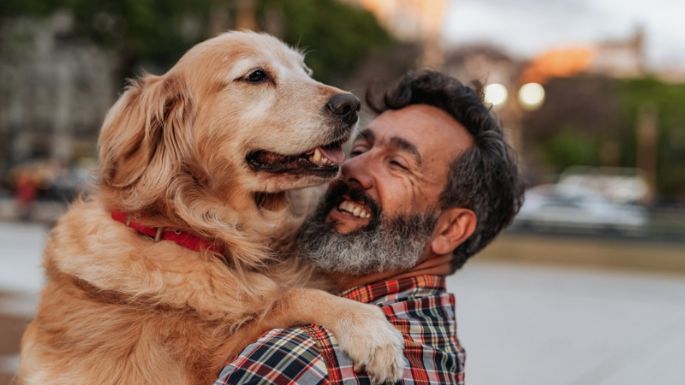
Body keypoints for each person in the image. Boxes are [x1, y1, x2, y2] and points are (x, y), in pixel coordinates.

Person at [214, 70, 524, 385]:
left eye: (398, 164)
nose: (350, 168)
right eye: (360, 149)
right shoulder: (439, 354)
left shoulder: (310, 357)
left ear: (451, 230)